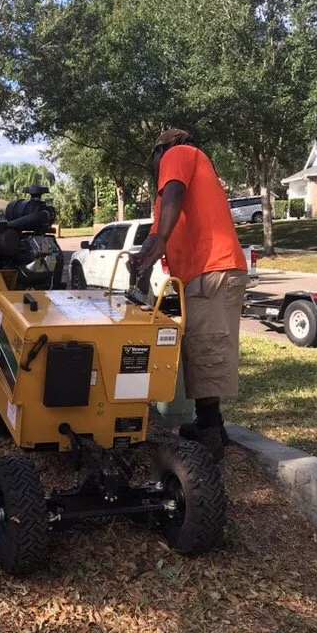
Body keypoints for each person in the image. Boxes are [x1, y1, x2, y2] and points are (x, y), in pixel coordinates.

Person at [131, 128, 248, 462]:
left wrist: (160, 239)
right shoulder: (164, 197)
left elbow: (174, 198)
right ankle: (213, 425)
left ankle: (210, 437)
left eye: (153, 157)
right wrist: (142, 261)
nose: (154, 165)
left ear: (161, 149)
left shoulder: (180, 154)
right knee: (199, 348)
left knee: (207, 348)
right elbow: (156, 237)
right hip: (199, 274)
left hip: (213, 268)